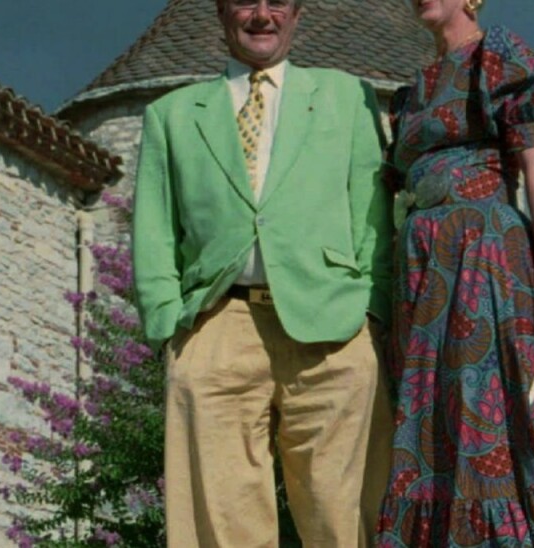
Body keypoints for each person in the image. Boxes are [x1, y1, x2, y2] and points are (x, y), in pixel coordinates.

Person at [131, 0, 394, 545]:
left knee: (341, 512)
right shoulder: (173, 114)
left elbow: (374, 214)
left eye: (277, 2)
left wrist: (372, 309)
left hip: (333, 324)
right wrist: (166, 322)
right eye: (246, 2)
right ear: (223, 13)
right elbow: (154, 228)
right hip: (216, 323)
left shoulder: (346, 97)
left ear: (297, 14)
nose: (261, 15)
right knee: (219, 519)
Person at [374, 0, 534, 545]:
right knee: (436, 418)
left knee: (490, 405)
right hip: (423, 277)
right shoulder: (413, 89)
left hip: (484, 263)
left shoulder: (500, 56)